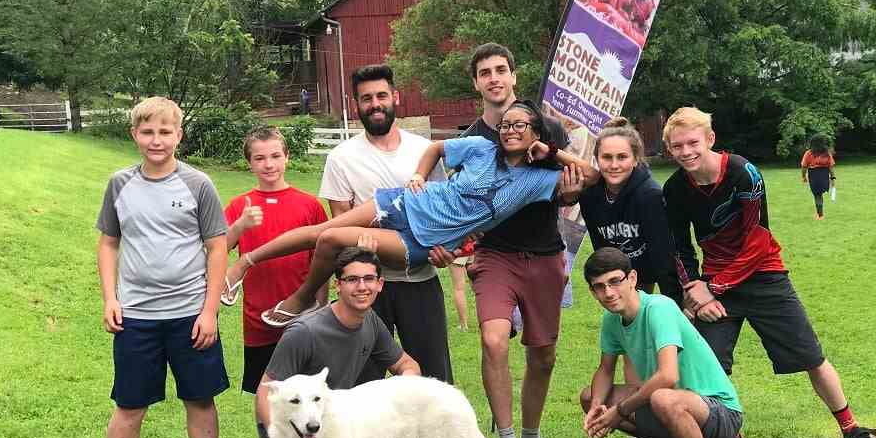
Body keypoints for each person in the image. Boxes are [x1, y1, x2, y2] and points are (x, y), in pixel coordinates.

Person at [221, 100, 598, 345]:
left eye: (520, 126)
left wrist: (554, 151)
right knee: (325, 233)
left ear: (536, 132)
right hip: (402, 201)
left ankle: (302, 298)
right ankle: (243, 264)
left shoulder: (538, 181)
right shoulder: (481, 148)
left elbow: (593, 175)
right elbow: (436, 148)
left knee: (333, 240)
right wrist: (419, 174)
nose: (510, 131)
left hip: (419, 242)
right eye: (506, 125)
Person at [661, 107, 876, 438]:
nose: (686, 151)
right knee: (705, 368)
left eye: (693, 142)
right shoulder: (674, 188)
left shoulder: (743, 173)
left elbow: (758, 240)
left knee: (811, 357)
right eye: (677, 146)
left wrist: (714, 286)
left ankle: (853, 431)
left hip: (763, 274)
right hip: (715, 288)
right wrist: (693, 289)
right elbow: (678, 246)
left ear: (710, 139)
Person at [94, 96, 247, 438]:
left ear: (179, 135)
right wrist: (110, 297)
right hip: (137, 317)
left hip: (189, 314)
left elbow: (217, 247)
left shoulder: (198, 184)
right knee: (129, 405)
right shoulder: (119, 184)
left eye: (165, 132)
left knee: (200, 399)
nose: (156, 140)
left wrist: (209, 310)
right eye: (147, 132)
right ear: (134, 135)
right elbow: (109, 242)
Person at [431, 43, 576, 438]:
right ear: (475, 83)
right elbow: (461, 205)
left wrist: (552, 158)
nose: (494, 78)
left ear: (513, 75)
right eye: (485, 72)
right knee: (494, 340)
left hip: (545, 252)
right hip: (495, 255)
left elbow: (573, 184)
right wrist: (462, 250)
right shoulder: (473, 140)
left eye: (501, 70)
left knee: (543, 353)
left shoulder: (547, 128)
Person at [581, 248, 743, 438]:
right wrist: (597, 406)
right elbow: (605, 369)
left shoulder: (659, 307)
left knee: (664, 399)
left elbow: (668, 376)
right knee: (590, 396)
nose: (608, 293)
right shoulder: (612, 319)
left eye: (615, 281)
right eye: (599, 287)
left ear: (632, 278)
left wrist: (619, 411)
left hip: (720, 411)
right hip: (677, 405)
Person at [253, 247, 423, 438]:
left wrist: (399, 392)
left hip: (334, 418)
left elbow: (407, 365)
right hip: (298, 419)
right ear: (337, 285)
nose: (361, 287)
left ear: (380, 284)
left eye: (368, 279)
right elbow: (266, 392)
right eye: (352, 280)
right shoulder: (304, 332)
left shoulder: (371, 322)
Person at [572, 117, 699, 438]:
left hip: (649, 270)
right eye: (607, 158)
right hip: (621, 274)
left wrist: (674, 304)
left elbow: (664, 252)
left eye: (622, 158)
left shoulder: (649, 195)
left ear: (636, 158)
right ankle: (642, 432)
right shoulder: (592, 196)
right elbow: (602, 249)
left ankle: (681, 419)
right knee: (629, 346)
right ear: (597, 158)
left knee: (660, 350)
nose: (614, 165)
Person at [318, 64, 453, 385]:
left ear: (395, 97)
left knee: (434, 381)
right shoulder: (342, 157)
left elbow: (443, 216)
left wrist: (444, 252)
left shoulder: (423, 150)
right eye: (366, 98)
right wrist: (358, 251)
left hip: (420, 282)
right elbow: (340, 227)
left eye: (381, 95)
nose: (375, 104)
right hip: (366, 287)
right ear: (356, 105)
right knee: (363, 386)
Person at [222, 126, 328, 438]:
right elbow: (217, 252)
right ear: (248, 162)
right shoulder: (239, 205)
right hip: (259, 318)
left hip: (304, 319)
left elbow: (323, 256)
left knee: (311, 397)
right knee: (267, 397)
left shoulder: (309, 204)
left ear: (286, 157)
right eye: (259, 158)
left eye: (274, 156)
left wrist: (320, 304)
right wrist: (240, 227)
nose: (268, 165)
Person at [800, 134, 836, 220]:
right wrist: (833, 178)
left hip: (814, 175)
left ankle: (820, 215)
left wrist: (803, 176)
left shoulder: (809, 153)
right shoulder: (827, 154)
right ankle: (820, 213)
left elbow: (804, 166)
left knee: (817, 195)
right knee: (819, 195)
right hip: (824, 175)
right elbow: (831, 167)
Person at [449, 239, 476, 331]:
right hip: (471, 248)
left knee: (459, 289)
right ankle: (486, 320)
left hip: (457, 250)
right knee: (477, 287)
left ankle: (463, 325)